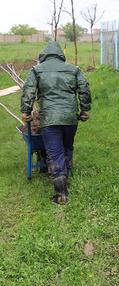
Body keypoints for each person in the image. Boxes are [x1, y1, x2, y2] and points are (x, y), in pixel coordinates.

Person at [21, 41, 92, 204]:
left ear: (43, 56)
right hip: (70, 118)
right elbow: (84, 90)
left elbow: (28, 92)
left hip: (49, 119)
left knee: (54, 153)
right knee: (67, 146)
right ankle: (66, 175)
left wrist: (26, 112)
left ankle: (61, 194)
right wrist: (84, 110)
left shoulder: (36, 70)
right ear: (61, 55)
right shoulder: (74, 70)